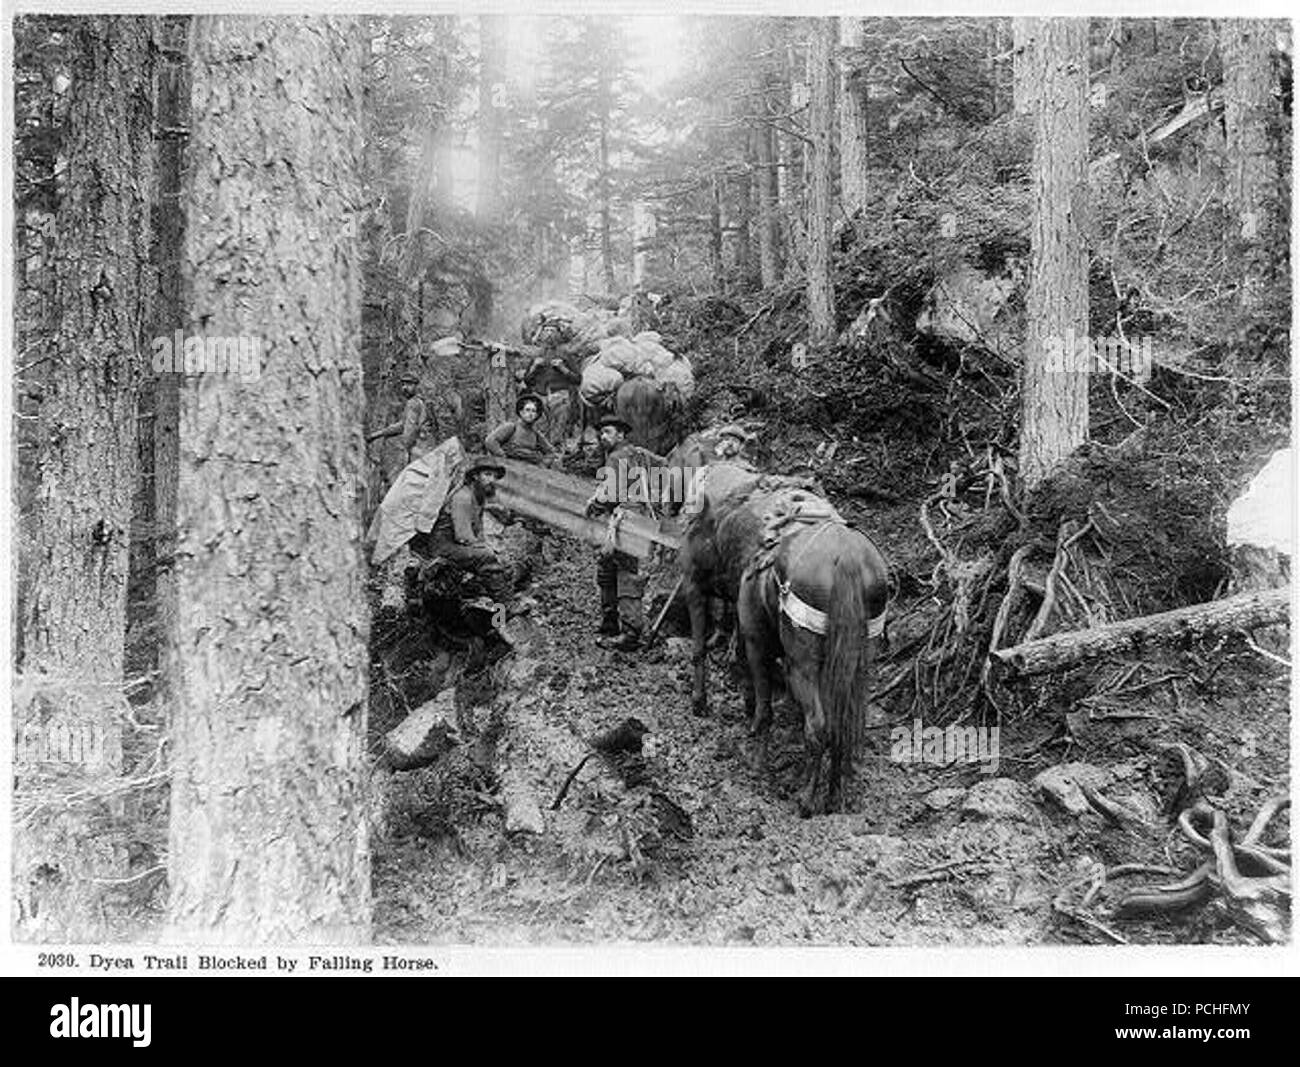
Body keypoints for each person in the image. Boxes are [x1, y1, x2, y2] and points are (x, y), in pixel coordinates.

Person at [586, 414, 652, 652]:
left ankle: (630, 633)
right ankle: (611, 622)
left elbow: (611, 493)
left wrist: (596, 504)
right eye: (602, 433)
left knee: (624, 572)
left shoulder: (615, 457)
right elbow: (663, 466)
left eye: (609, 432)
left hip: (625, 519)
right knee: (609, 566)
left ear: (621, 435)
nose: (604, 437)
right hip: (637, 515)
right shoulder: (638, 453)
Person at [415, 456, 512, 603]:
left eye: (494, 476)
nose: (492, 480)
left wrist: (488, 548)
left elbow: (478, 532)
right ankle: (507, 605)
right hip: (443, 547)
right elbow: (463, 535)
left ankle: (484, 597)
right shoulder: (463, 496)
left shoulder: (478, 497)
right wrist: (486, 550)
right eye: (487, 474)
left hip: (456, 546)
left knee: (500, 562)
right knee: (486, 556)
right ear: (475, 476)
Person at [366, 370, 436, 467]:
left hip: (419, 452)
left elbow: (409, 433)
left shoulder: (413, 403)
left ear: (417, 386)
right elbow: (403, 425)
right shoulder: (419, 401)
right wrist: (377, 434)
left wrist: (403, 454)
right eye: (403, 384)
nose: (404, 388)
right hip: (427, 451)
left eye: (409, 384)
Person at [484, 392, 558, 467]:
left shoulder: (536, 435)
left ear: (536, 415)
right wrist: (503, 458)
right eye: (527, 410)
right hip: (509, 467)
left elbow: (551, 452)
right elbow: (490, 441)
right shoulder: (511, 427)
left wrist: (542, 465)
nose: (530, 414)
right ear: (521, 412)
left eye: (533, 411)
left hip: (528, 470)